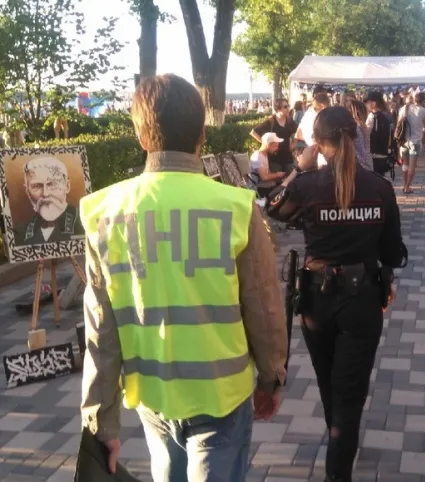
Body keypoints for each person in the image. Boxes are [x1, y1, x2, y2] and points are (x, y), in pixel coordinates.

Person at [79, 74, 288, 482]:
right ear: (202, 135)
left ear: (141, 137)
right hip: (222, 396)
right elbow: (264, 306)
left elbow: (100, 331)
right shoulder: (235, 208)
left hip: (153, 396)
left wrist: (100, 422)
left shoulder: (103, 212)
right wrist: (271, 377)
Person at [267, 106, 407, 482]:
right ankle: (340, 459)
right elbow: (393, 252)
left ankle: (339, 443)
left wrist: (298, 168)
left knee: (329, 380)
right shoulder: (379, 188)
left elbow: (272, 208)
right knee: (351, 388)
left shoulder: (307, 186)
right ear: (355, 136)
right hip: (363, 299)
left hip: (317, 300)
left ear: (318, 141)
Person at [16, 156, 84, 246]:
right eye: (37, 186)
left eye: (52, 184)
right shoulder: (20, 233)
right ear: (28, 191)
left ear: (67, 186)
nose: (45, 194)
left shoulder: (84, 222)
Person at [251, 98, 297, 174]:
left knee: (292, 177)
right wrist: (266, 144)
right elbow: (254, 132)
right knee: (277, 178)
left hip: (287, 156)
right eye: (285, 107)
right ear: (278, 109)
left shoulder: (289, 121)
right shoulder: (271, 121)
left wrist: (294, 143)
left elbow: (299, 131)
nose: (288, 109)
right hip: (274, 158)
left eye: (288, 106)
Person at [396, 92, 425, 193]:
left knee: (405, 164)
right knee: (412, 166)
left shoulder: (404, 108)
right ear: (423, 100)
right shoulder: (424, 111)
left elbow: (398, 122)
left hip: (404, 140)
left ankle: (404, 184)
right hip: (415, 141)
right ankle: (407, 186)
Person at [296, 92, 331, 168]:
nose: (313, 110)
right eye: (313, 108)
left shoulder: (329, 116)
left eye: (315, 108)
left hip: (326, 156)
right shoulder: (310, 114)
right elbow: (298, 134)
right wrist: (313, 141)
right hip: (318, 156)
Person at [250, 132, 288, 197]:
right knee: (284, 191)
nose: (277, 148)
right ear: (268, 145)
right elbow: (264, 177)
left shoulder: (264, 155)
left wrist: (280, 177)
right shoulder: (257, 157)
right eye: (275, 146)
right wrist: (277, 175)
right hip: (258, 188)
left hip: (265, 185)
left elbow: (268, 173)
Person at [364, 91, 392, 177]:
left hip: (373, 155)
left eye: (368, 102)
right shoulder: (387, 116)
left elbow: (366, 134)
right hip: (384, 153)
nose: (366, 105)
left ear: (374, 103)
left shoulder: (371, 117)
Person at [347, 99, 374, 171]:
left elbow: (360, 152)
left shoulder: (356, 128)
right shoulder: (362, 127)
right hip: (366, 164)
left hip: (361, 166)